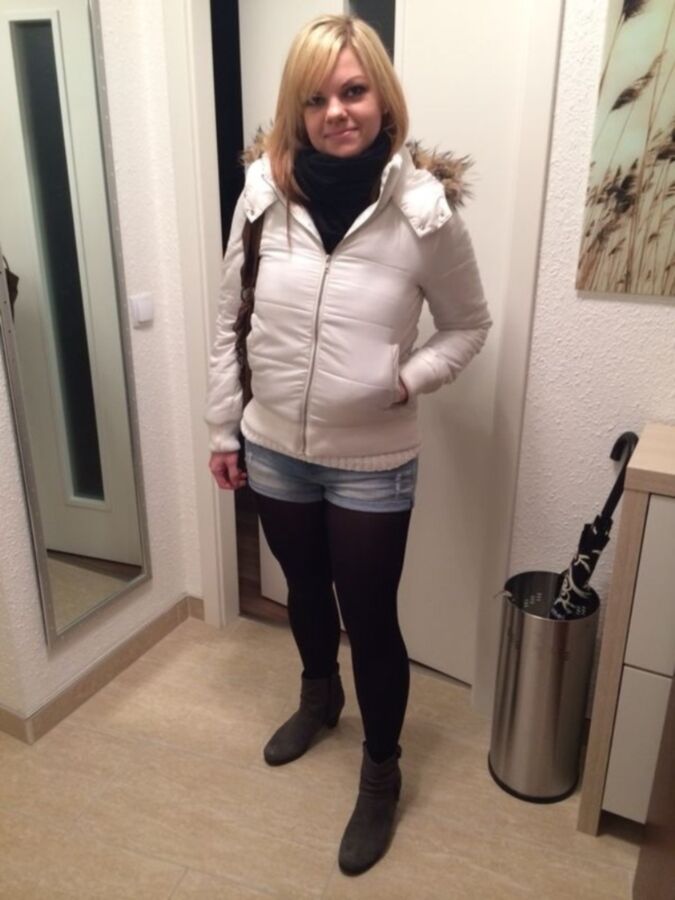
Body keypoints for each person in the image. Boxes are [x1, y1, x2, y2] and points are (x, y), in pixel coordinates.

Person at [206, 14, 491, 876]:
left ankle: (380, 771)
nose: (336, 111)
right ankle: (318, 698)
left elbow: (468, 326)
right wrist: (223, 427)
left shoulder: (424, 213)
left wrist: (405, 379)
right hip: (272, 446)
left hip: (371, 461)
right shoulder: (260, 197)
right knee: (303, 592)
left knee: (368, 618)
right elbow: (229, 319)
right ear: (296, 109)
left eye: (353, 91)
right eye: (316, 97)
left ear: (382, 98)